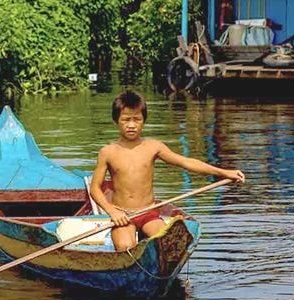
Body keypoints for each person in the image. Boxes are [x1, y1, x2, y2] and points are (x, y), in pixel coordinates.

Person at [90, 90, 244, 251]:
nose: (131, 125)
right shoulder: (108, 152)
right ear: (116, 120)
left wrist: (224, 172)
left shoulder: (153, 147)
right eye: (126, 120)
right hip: (123, 215)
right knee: (125, 247)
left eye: (137, 119)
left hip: (149, 213)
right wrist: (112, 212)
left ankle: (149, 245)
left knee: (169, 245)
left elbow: (186, 162)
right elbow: (95, 188)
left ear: (144, 121)